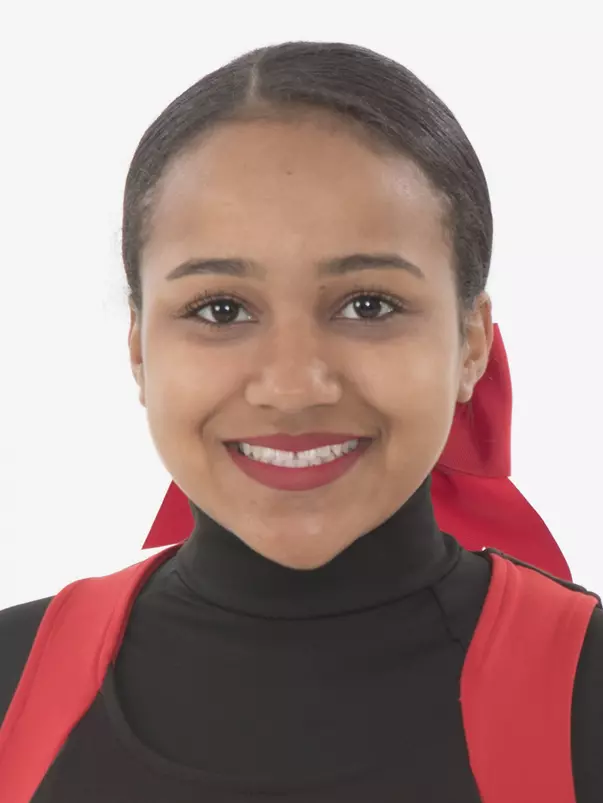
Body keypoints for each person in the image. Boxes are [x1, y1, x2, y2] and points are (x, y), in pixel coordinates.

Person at [0, 41, 601, 802]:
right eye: (220, 309)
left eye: (367, 305)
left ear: (471, 344)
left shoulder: (589, 695)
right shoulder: (8, 677)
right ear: (138, 346)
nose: (292, 386)